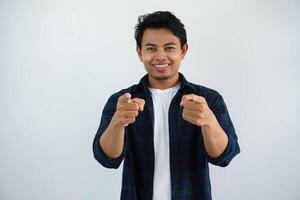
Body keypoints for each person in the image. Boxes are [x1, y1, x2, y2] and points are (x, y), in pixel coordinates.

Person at [93, 11, 240, 200]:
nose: (160, 56)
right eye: (151, 48)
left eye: (169, 48)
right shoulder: (122, 102)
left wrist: (208, 121)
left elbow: (224, 157)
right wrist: (117, 123)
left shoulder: (208, 99)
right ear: (140, 52)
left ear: (183, 50)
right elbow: (106, 158)